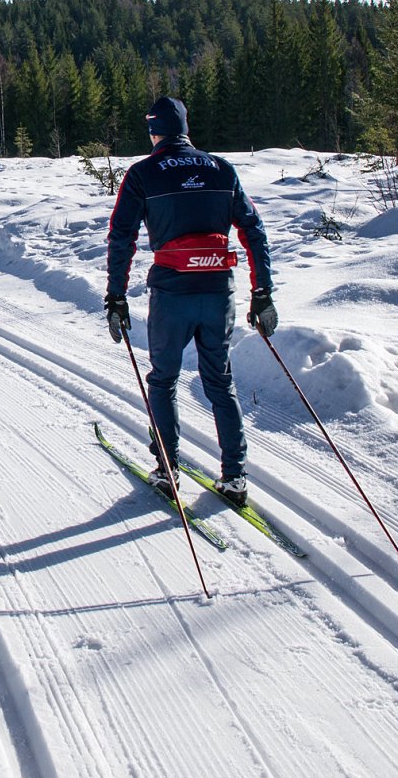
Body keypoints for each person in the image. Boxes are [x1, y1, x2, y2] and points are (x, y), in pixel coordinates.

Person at [104, 96, 275, 503]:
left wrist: (116, 296)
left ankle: (168, 471)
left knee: (164, 380)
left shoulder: (143, 174)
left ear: (154, 131)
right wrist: (262, 293)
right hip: (219, 291)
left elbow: (122, 237)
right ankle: (234, 476)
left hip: (172, 292)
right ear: (185, 127)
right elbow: (254, 231)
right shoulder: (221, 169)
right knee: (220, 381)